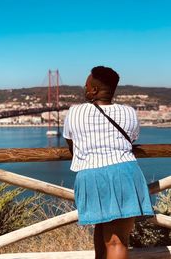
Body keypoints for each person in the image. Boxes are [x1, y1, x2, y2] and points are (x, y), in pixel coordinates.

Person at [63, 66, 154, 259]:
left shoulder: (74, 112)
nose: (84, 88)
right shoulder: (129, 112)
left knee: (102, 234)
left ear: (93, 90)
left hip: (90, 176)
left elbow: (72, 145)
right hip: (124, 173)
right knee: (117, 240)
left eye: (86, 85)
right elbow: (132, 139)